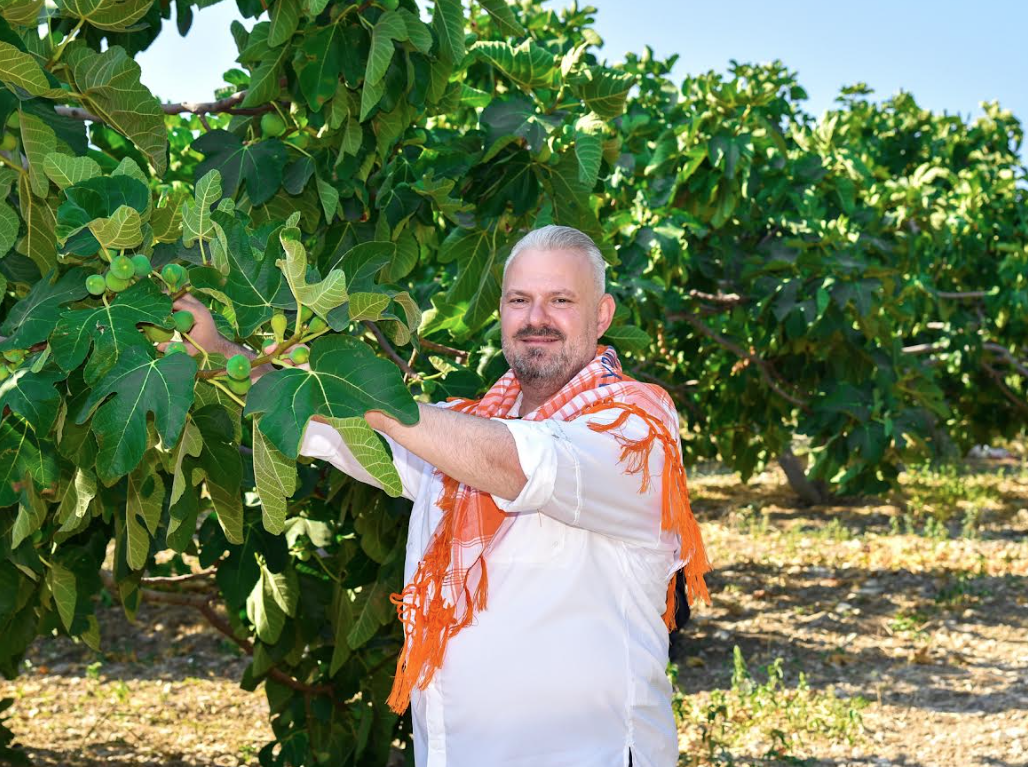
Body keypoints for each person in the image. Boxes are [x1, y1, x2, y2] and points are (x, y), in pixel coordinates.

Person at [168, 224, 711, 767]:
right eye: (519, 300)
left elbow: (516, 461)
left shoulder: (636, 430)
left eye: (560, 300)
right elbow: (331, 420)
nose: (535, 318)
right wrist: (216, 349)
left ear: (602, 315)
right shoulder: (463, 429)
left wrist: (367, 395)